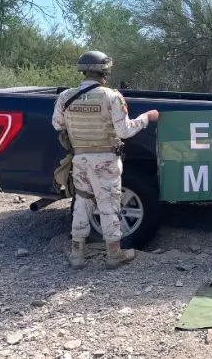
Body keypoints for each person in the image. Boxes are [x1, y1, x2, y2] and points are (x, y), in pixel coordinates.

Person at [52, 51, 159, 269]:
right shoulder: (112, 97)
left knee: (82, 202)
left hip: (80, 159)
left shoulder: (65, 97)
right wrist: (146, 118)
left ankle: (77, 255)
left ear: (83, 71)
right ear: (105, 72)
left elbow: (57, 124)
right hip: (106, 160)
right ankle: (114, 255)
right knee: (109, 204)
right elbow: (125, 130)